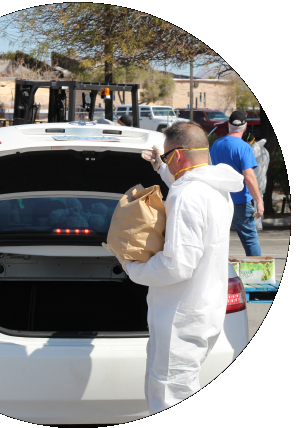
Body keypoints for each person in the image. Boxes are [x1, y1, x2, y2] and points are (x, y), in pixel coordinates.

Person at [112, 121, 244, 414]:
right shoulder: (216, 189)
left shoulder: (187, 196)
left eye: (168, 157)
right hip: (202, 312)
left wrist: (132, 267)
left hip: (180, 320)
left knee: (169, 396)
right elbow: (185, 187)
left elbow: (177, 266)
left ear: (179, 155)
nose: (167, 163)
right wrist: (161, 167)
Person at [210, 111, 263, 256]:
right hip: (240, 202)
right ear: (245, 127)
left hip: (220, 200)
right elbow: (249, 178)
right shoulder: (244, 147)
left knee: (218, 241)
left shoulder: (216, 145)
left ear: (229, 125)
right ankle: (256, 269)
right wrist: (259, 201)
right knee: (250, 239)